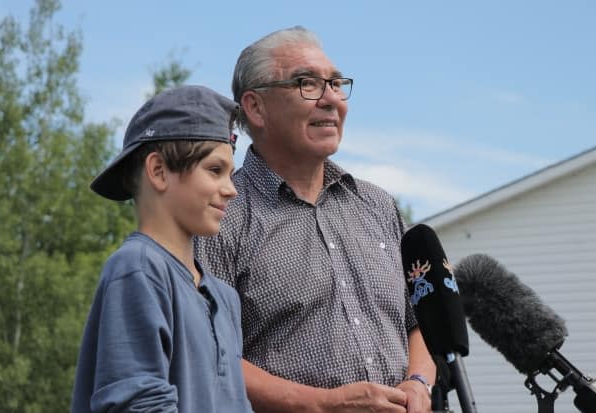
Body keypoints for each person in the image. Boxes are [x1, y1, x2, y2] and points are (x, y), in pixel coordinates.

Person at [195, 26, 436, 413]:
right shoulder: (221, 216)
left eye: (336, 83)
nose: (331, 99)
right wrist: (324, 404)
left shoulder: (378, 205)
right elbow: (205, 353)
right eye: (308, 83)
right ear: (255, 108)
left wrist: (419, 381)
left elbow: (423, 316)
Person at [70, 85, 253, 413]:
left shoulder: (225, 299)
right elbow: (139, 405)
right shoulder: (138, 268)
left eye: (231, 173)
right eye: (215, 170)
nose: (231, 190)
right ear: (158, 171)